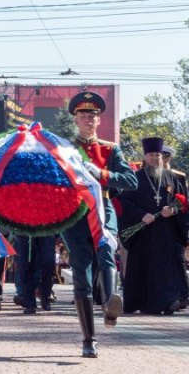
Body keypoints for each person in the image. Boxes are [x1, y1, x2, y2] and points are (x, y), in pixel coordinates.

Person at [63, 91, 137, 357]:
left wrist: (102, 173)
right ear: (76, 119)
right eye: (83, 115)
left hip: (103, 211)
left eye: (92, 115)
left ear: (98, 119)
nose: (88, 119)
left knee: (107, 254)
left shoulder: (110, 149)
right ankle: (88, 338)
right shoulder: (64, 149)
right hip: (73, 214)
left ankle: (109, 302)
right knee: (81, 272)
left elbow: (131, 181)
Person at [119, 137, 188, 315]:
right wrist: (142, 215)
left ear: (161, 157)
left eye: (157, 155)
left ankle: (169, 301)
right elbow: (124, 203)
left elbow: (183, 200)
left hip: (167, 233)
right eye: (151, 155)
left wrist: (173, 208)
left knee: (167, 267)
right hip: (143, 232)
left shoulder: (172, 178)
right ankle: (142, 302)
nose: (154, 158)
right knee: (144, 267)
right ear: (145, 157)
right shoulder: (135, 179)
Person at [163, 145, 189, 309]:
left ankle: (184, 294)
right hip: (156, 224)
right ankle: (170, 295)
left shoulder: (178, 176)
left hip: (175, 224)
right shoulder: (148, 175)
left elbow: (184, 201)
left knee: (178, 259)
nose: (162, 159)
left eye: (165, 157)